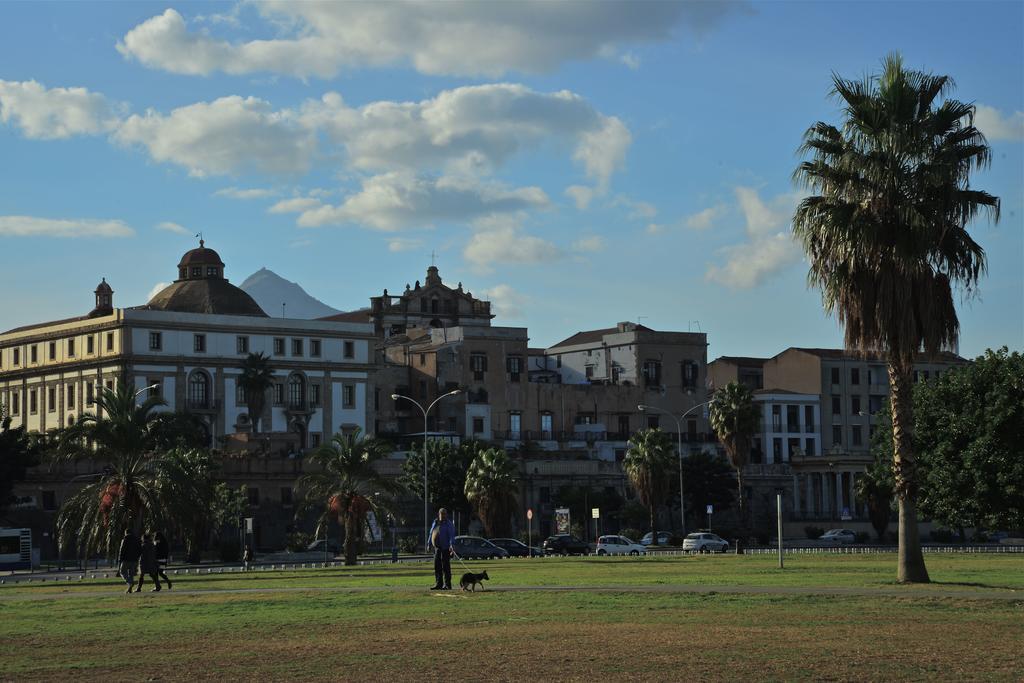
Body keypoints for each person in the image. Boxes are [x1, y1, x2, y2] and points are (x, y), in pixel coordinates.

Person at [427, 507, 456, 590]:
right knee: (437, 566)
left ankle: (447, 585)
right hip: (437, 548)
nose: (443, 516)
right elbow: (431, 533)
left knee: (446, 567)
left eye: (444, 514)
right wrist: (428, 544)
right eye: (441, 514)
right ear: (439, 514)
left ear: (446, 515)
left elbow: (451, 535)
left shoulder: (449, 524)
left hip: (446, 548)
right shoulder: (435, 522)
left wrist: (451, 545)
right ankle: (438, 584)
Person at [117, 529, 141, 594]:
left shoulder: (125, 540)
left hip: (126, 559)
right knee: (131, 574)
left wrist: (120, 560)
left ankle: (130, 582)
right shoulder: (137, 540)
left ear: (126, 533)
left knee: (122, 572)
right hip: (134, 560)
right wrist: (137, 557)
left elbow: (121, 551)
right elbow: (140, 550)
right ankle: (129, 589)